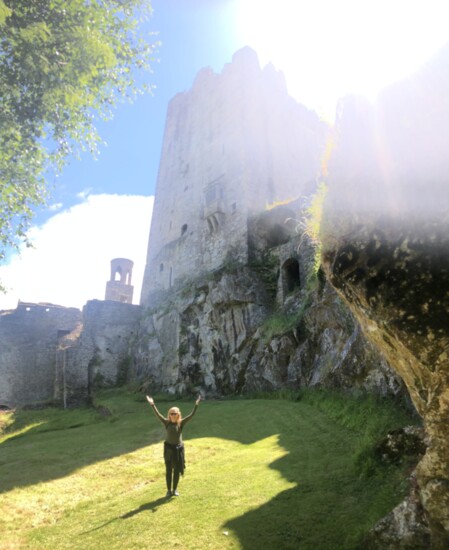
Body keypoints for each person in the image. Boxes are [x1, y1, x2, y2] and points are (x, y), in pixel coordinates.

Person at [146, 395, 201, 497]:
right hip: (168, 450)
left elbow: (191, 415)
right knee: (168, 470)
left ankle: (175, 489)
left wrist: (196, 404)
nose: (173, 415)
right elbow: (157, 414)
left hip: (178, 450)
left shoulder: (181, 423)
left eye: (175, 413)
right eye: (171, 413)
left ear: (178, 414)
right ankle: (168, 491)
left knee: (176, 470)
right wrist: (152, 404)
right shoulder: (166, 423)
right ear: (169, 415)